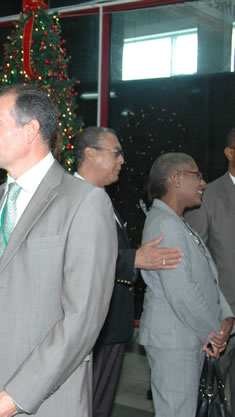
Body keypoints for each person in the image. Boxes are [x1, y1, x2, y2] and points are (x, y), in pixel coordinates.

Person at [0, 85, 117, 417]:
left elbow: (81, 319)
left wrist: (17, 395)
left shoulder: (83, 202)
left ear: (30, 131)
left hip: (48, 399)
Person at [73, 126, 183, 417]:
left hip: (109, 324)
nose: (122, 160)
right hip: (95, 326)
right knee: (89, 405)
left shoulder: (99, 197)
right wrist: (134, 259)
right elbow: (81, 259)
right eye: (116, 152)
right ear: (89, 154)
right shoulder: (75, 199)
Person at [139, 152, 234, 417]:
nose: (203, 183)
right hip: (175, 345)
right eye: (197, 175)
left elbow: (210, 278)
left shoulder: (178, 223)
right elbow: (182, 293)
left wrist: (227, 316)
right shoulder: (164, 226)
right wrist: (215, 332)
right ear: (176, 179)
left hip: (190, 338)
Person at [185, 128, 235, 401]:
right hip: (221, 321)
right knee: (211, 398)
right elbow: (197, 260)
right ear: (229, 153)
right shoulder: (208, 197)